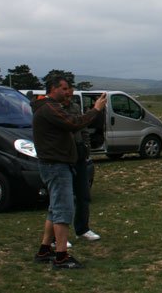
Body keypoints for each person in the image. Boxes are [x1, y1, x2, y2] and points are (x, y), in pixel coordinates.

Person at [32, 76, 105, 270]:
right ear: (52, 89)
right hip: (56, 165)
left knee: (54, 208)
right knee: (64, 208)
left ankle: (44, 249)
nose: (68, 92)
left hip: (55, 164)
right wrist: (96, 109)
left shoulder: (47, 107)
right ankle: (61, 256)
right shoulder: (50, 108)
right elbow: (74, 123)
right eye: (63, 89)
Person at [64, 93, 101, 242]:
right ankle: (58, 236)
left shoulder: (75, 107)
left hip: (79, 156)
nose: (68, 93)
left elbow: (83, 128)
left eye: (70, 89)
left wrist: (86, 147)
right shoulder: (55, 110)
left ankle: (82, 229)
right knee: (63, 198)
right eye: (65, 89)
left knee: (83, 195)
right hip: (64, 156)